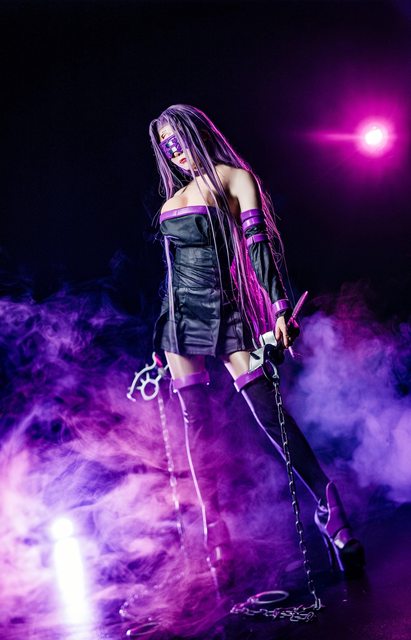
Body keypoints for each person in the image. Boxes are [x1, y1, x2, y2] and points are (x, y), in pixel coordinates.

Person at [148, 104, 364, 587]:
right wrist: (160, 335)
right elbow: (171, 273)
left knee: (269, 410)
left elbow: (257, 245)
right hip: (177, 318)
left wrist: (280, 307)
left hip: (224, 308)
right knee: (196, 423)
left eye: (178, 139)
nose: (175, 152)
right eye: (166, 146)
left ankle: (329, 504)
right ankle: (214, 527)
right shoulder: (170, 203)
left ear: (197, 132)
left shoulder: (235, 178)